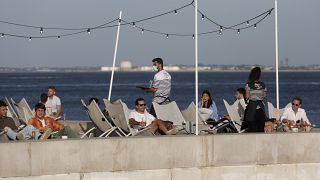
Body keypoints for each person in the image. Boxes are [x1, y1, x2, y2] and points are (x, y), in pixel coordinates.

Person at [242, 67, 267, 132]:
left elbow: (247, 96)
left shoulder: (249, 85)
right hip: (261, 109)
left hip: (252, 109)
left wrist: (252, 95)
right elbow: (264, 96)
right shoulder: (262, 85)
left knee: (252, 130)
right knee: (261, 129)